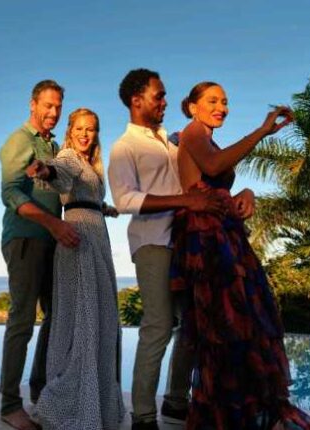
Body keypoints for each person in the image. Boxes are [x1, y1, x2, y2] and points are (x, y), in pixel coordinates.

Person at [170, 81, 310, 430]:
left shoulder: (208, 140)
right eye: (212, 101)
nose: (221, 107)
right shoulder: (191, 132)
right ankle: (225, 418)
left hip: (224, 231)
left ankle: (252, 415)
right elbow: (213, 167)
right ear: (193, 107)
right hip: (206, 236)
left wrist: (247, 191)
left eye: (224, 101)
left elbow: (219, 182)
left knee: (245, 322)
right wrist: (262, 131)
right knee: (223, 325)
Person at [108, 69, 226, 430]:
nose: (164, 102)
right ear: (136, 101)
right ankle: (143, 416)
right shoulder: (123, 147)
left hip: (185, 242)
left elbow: (204, 176)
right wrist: (185, 201)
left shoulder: (173, 141)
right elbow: (125, 199)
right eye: (158, 96)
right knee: (159, 325)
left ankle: (176, 402)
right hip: (152, 243)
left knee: (192, 325)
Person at [26, 108, 125, 430]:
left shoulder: (91, 165)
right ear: (71, 131)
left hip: (97, 238)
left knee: (99, 319)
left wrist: (105, 208)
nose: (85, 134)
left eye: (91, 129)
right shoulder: (69, 156)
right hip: (78, 240)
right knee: (82, 320)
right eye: (80, 128)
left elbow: (86, 195)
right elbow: (59, 173)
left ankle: (96, 401)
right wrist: (44, 170)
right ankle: (67, 402)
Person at [0, 79, 80, 430]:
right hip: (25, 239)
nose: (54, 112)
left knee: (56, 315)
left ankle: (40, 390)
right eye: (48, 105)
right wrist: (52, 223)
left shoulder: (53, 146)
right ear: (33, 104)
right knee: (21, 321)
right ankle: (9, 405)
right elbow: (11, 193)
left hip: (51, 241)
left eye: (58, 106)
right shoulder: (20, 140)